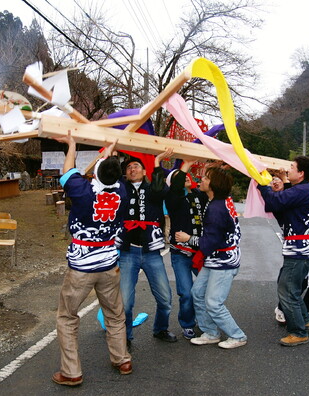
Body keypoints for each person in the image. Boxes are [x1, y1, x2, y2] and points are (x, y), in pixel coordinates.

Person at [51, 133, 131, 387]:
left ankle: (72, 371)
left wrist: (72, 145)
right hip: (109, 263)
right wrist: (112, 152)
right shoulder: (123, 192)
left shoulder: (83, 191)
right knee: (115, 315)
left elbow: (68, 170)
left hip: (82, 266)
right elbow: (111, 174)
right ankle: (122, 359)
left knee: (67, 317)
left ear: (94, 172)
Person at [176, 165, 247, 349]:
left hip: (223, 261)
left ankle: (237, 336)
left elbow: (209, 242)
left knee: (214, 302)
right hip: (216, 259)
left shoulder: (216, 208)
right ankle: (211, 332)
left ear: (214, 184)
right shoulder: (220, 201)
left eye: (206, 178)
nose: (202, 180)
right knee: (197, 293)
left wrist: (187, 239)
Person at [257, 156, 309, 346]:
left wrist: (263, 185)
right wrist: (279, 189)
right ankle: (304, 320)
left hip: (301, 250)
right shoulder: (303, 189)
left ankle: (298, 332)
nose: (288, 170)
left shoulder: (302, 190)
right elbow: (283, 210)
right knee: (291, 287)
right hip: (305, 248)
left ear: (301, 173)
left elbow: (275, 204)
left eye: (292, 167)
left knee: (287, 290)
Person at [117, 152, 177, 346]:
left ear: (144, 171)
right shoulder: (121, 189)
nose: (132, 169)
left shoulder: (153, 188)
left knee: (165, 298)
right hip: (128, 252)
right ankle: (125, 336)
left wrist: (157, 162)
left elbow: (162, 191)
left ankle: (160, 329)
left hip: (151, 252)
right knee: (125, 303)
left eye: (136, 166)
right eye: (128, 167)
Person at [160, 157, 206, 340]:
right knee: (186, 292)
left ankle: (206, 321)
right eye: (180, 176)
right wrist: (184, 167)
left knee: (205, 290)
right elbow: (176, 188)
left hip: (200, 251)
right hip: (180, 253)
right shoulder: (172, 198)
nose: (185, 177)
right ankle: (187, 324)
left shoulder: (198, 194)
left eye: (186, 175)